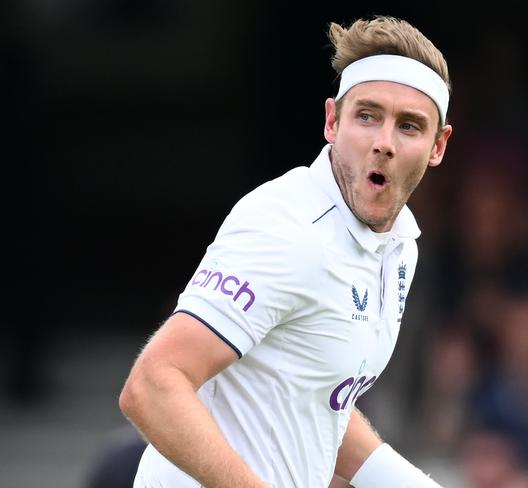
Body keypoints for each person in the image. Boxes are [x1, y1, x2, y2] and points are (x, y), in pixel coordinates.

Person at [119, 15, 453, 488]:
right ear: (332, 121)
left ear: (438, 146)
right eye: (367, 116)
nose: (383, 143)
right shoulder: (286, 228)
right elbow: (152, 386)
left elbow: (315, 399)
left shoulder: (398, 246)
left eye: (409, 126)